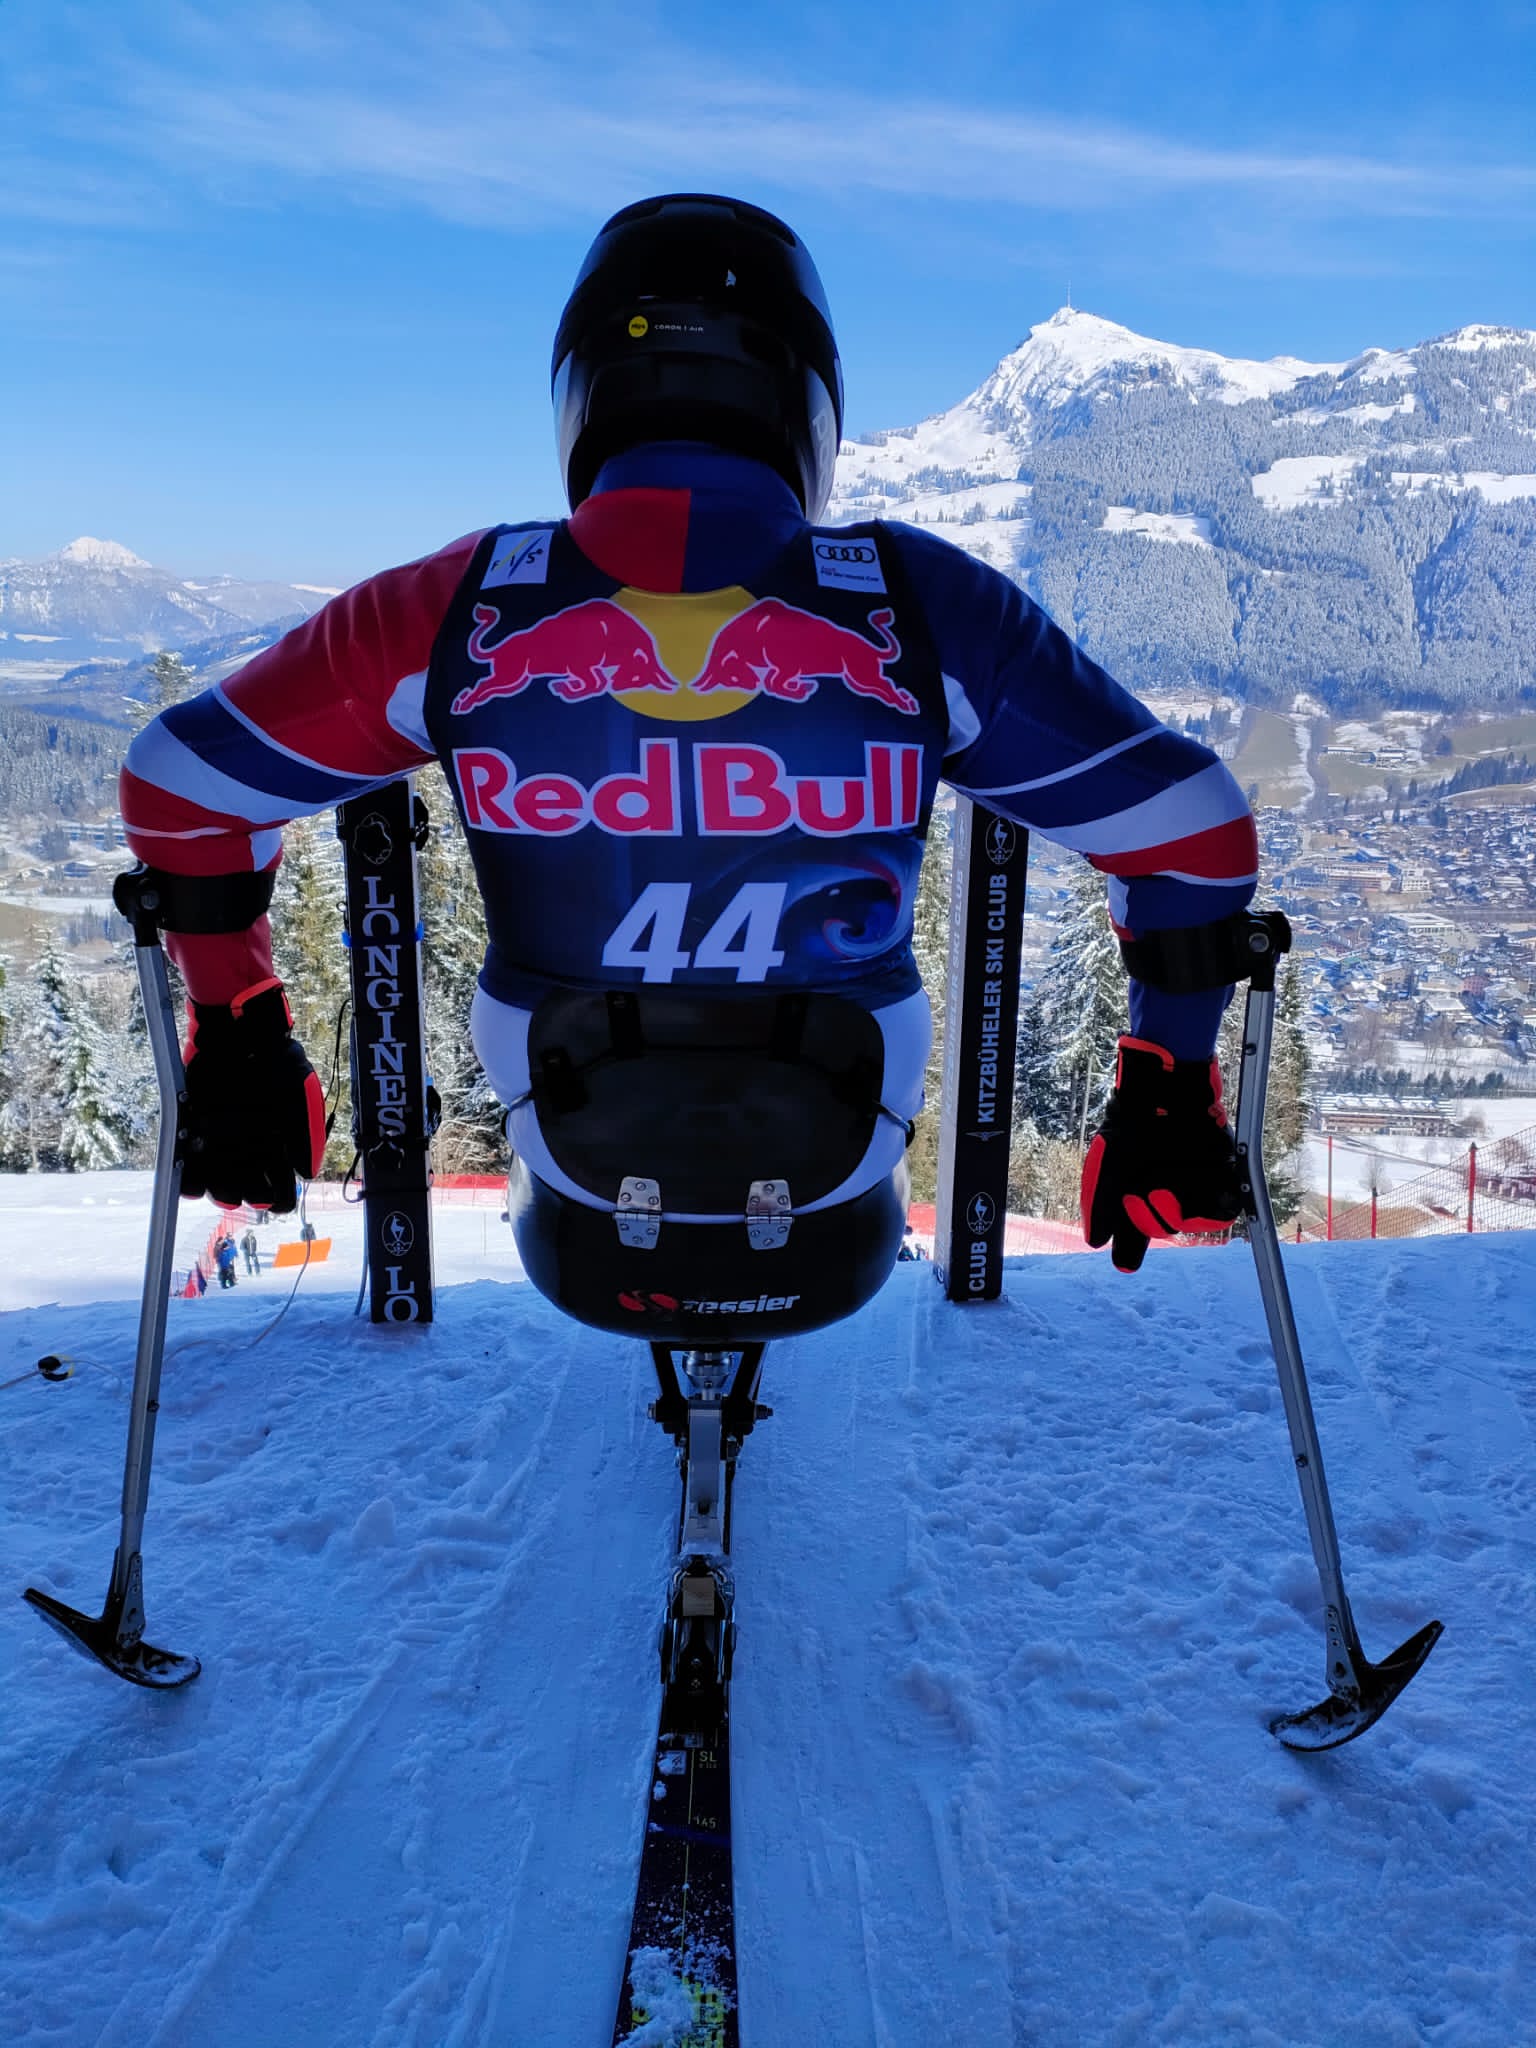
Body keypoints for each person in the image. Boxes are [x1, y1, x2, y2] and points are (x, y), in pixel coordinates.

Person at [120, 193, 1256, 1342]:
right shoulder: (921, 604)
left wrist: (240, 1027)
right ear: (808, 404)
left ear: (582, 397)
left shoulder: (457, 607)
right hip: (834, 1190)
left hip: (578, 1192)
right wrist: (1168, 1074)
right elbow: (1193, 830)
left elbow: (181, 784)